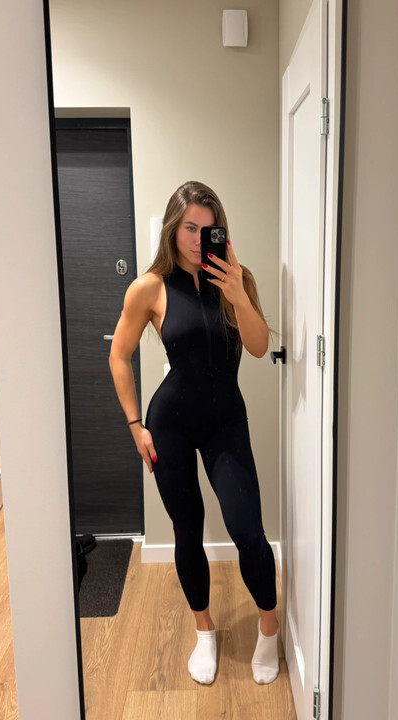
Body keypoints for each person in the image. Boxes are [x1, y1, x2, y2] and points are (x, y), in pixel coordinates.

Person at [109, 181, 279, 685]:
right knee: (188, 529)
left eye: (208, 229)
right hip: (171, 426)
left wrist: (237, 294)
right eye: (189, 227)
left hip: (226, 420)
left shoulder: (238, 278)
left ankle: (269, 627)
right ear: (172, 228)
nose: (197, 238)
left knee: (247, 529)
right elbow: (118, 355)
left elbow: (257, 347)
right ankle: (204, 631)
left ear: (220, 231)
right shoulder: (149, 288)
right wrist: (135, 425)